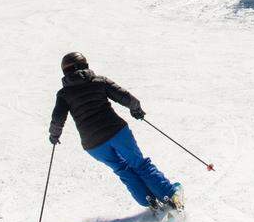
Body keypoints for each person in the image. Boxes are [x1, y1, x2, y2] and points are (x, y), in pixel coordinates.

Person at [48, 52, 181, 212]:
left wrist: (54, 135)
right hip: (116, 131)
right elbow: (125, 97)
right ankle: (169, 195)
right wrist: (136, 109)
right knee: (139, 164)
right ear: (84, 65)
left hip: (93, 144)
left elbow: (57, 118)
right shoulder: (99, 81)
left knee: (122, 169)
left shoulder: (64, 94)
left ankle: (148, 200)